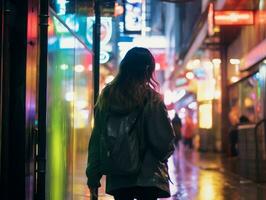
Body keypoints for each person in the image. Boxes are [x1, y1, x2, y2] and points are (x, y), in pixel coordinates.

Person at [86, 47, 175, 200]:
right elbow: (164, 142)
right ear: (148, 70)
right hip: (149, 176)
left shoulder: (107, 97)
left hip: (118, 174)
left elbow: (97, 139)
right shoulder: (153, 99)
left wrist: (93, 177)